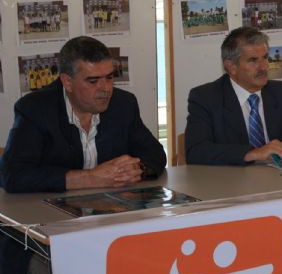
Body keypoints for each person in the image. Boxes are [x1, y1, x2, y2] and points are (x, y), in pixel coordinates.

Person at [0, 36, 166, 194]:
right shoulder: (35, 109)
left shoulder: (123, 104)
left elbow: (155, 155)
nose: (105, 88)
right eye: (93, 81)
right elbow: (12, 175)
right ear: (67, 82)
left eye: (109, 77)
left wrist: (137, 170)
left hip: (111, 206)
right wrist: (90, 178)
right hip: (48, 209)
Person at [185, 27, 282, 165]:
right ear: (231, 66)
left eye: (265, 57)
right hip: (231, 181)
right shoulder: (206, 98)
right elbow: (196, 151)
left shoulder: (281, 92)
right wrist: (254, 153)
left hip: (279, 179)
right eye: (253, 60)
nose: (263, 67)